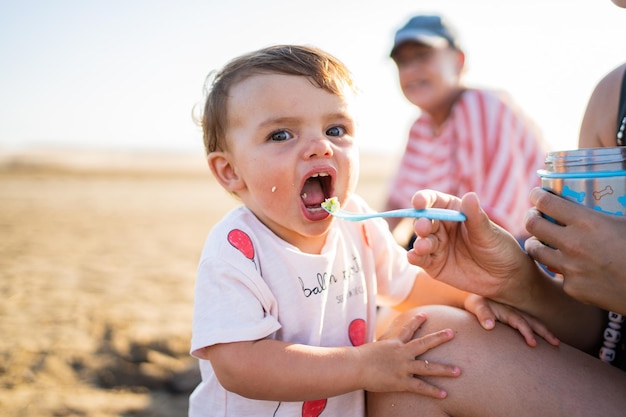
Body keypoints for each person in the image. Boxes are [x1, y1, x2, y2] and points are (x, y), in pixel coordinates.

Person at [188, 44, 553, 416]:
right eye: (281, 135)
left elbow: (406, 284)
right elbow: (238, 365)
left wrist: (467, 297)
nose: (320, 147)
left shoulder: (355, 221)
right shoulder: (235, 249)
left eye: (335, 129)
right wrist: (364, 365)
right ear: (230, 171)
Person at [384, 14, 548, 246]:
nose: (411, 70)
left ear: (459, 61)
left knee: (419, 251)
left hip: (528, 245)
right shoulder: (422, 126)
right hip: (473, 238)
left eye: (423, 56)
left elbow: (497, 221)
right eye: (403, 62)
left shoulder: (481, 106)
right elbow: (396, 203)